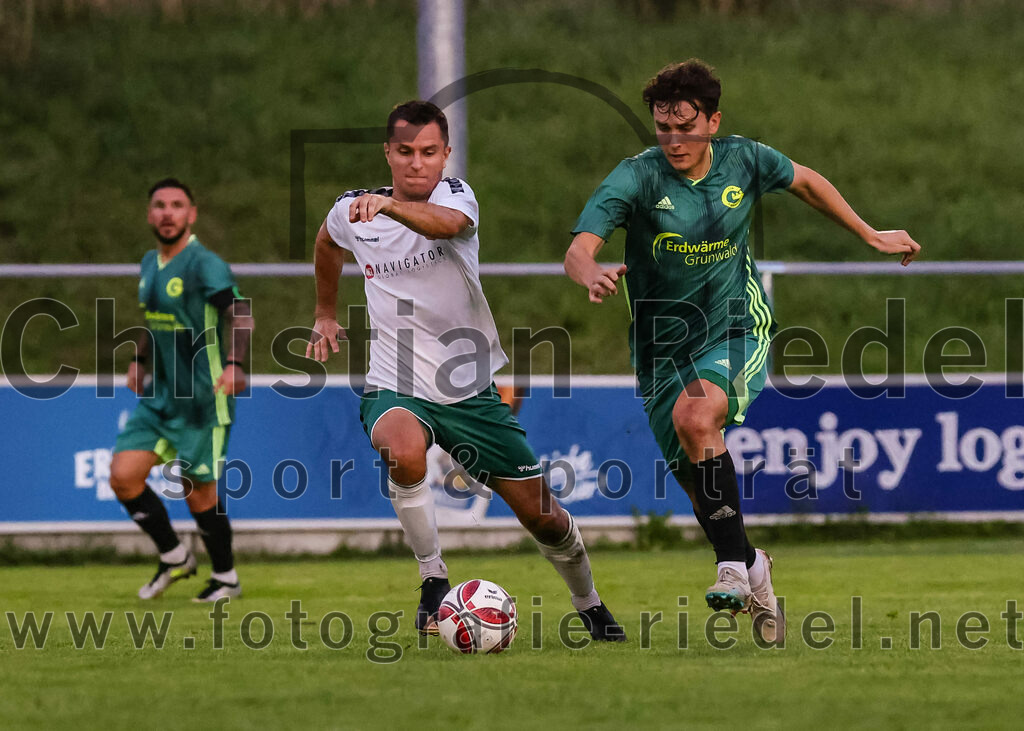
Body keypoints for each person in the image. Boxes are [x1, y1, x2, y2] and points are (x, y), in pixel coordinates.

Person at [564, 60, 921, 642]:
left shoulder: (745, 158)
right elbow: (579, 249)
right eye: (663, 128)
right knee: (701, 486)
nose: (674, 140)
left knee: (696, 414)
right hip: (660, 351)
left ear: (714, 121)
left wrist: (869, 232)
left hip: (736, 326)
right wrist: (589, 273)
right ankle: (752, 565)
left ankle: (729, 567)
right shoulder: (635, 178)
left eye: (686, 126)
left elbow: (805, 180)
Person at [307, 100, 625, 641]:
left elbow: (446, 226)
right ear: (387, 152)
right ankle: (433, 578)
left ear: (445, 155)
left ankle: (590, 604)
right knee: (401, 451)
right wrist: (325, 313)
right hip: (394, 381)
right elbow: (326, 243)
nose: (416, 163)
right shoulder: (351, 210)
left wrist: (384, 207)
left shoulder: (455, 197)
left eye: (429, 152)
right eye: (405, 152)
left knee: (543, 516)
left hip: (468, 389)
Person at [109, 178, 253, 602]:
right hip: (160, 398)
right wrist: (139, 358)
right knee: (123, 476)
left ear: (191, 214)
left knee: (199, 492)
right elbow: (158, 321)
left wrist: (235, 364)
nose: (167, 212)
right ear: (149, 214)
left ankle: (226, 577)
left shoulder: (203, 263)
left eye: (177, 205)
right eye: (159, 205)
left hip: (203, 399)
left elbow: (240, 312)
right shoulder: (149, 263)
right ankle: (174, 556)